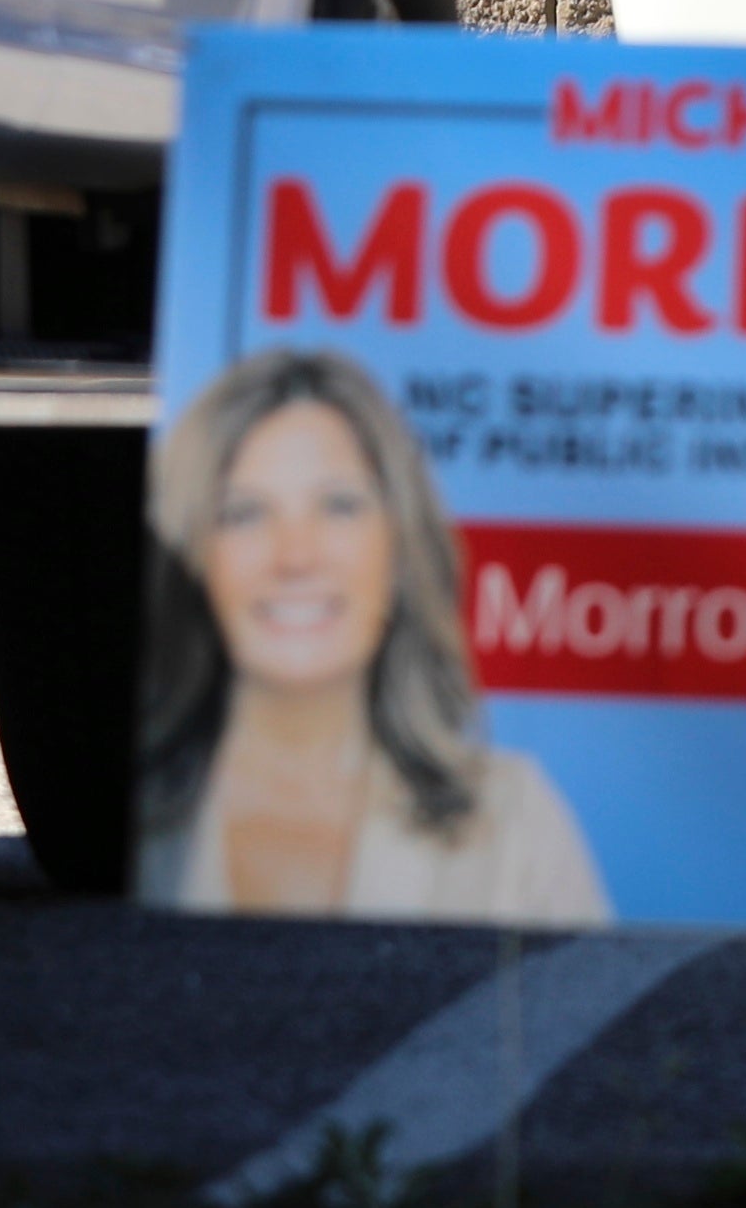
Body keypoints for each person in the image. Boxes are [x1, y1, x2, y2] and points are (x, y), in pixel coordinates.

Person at [137, 346, 613, 927]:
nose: (296, 556)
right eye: (244, 513)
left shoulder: (514, 822)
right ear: (192, 556)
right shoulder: (134, 814)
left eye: (338, 506)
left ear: (398, 551)